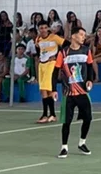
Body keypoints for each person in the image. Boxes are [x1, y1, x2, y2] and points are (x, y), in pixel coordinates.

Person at [55, 27, 95, 158]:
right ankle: (64, 147)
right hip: (68, 93)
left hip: (83, 92)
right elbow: (55, 71)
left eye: (85, 35)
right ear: (73, 36)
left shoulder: (86, 51)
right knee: (67, 121)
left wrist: (90, 80)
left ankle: (82, 143)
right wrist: (53, 89)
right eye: (81, 34)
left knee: (88, 118)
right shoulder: (63, 53)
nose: (84, 37)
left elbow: (90, 67)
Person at [34, 21, 65, 124]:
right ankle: (52, 114)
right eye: (41, 28)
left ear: (48, 28)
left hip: (51, 64)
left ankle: (45, 114)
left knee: (44, 88)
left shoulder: (54, 37)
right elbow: (38, 50)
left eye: (45, 27)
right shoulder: (38, 39)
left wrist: (57, 57)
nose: (43, 30)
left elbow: (66, 45)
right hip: (42, 64)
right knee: (46, 90)